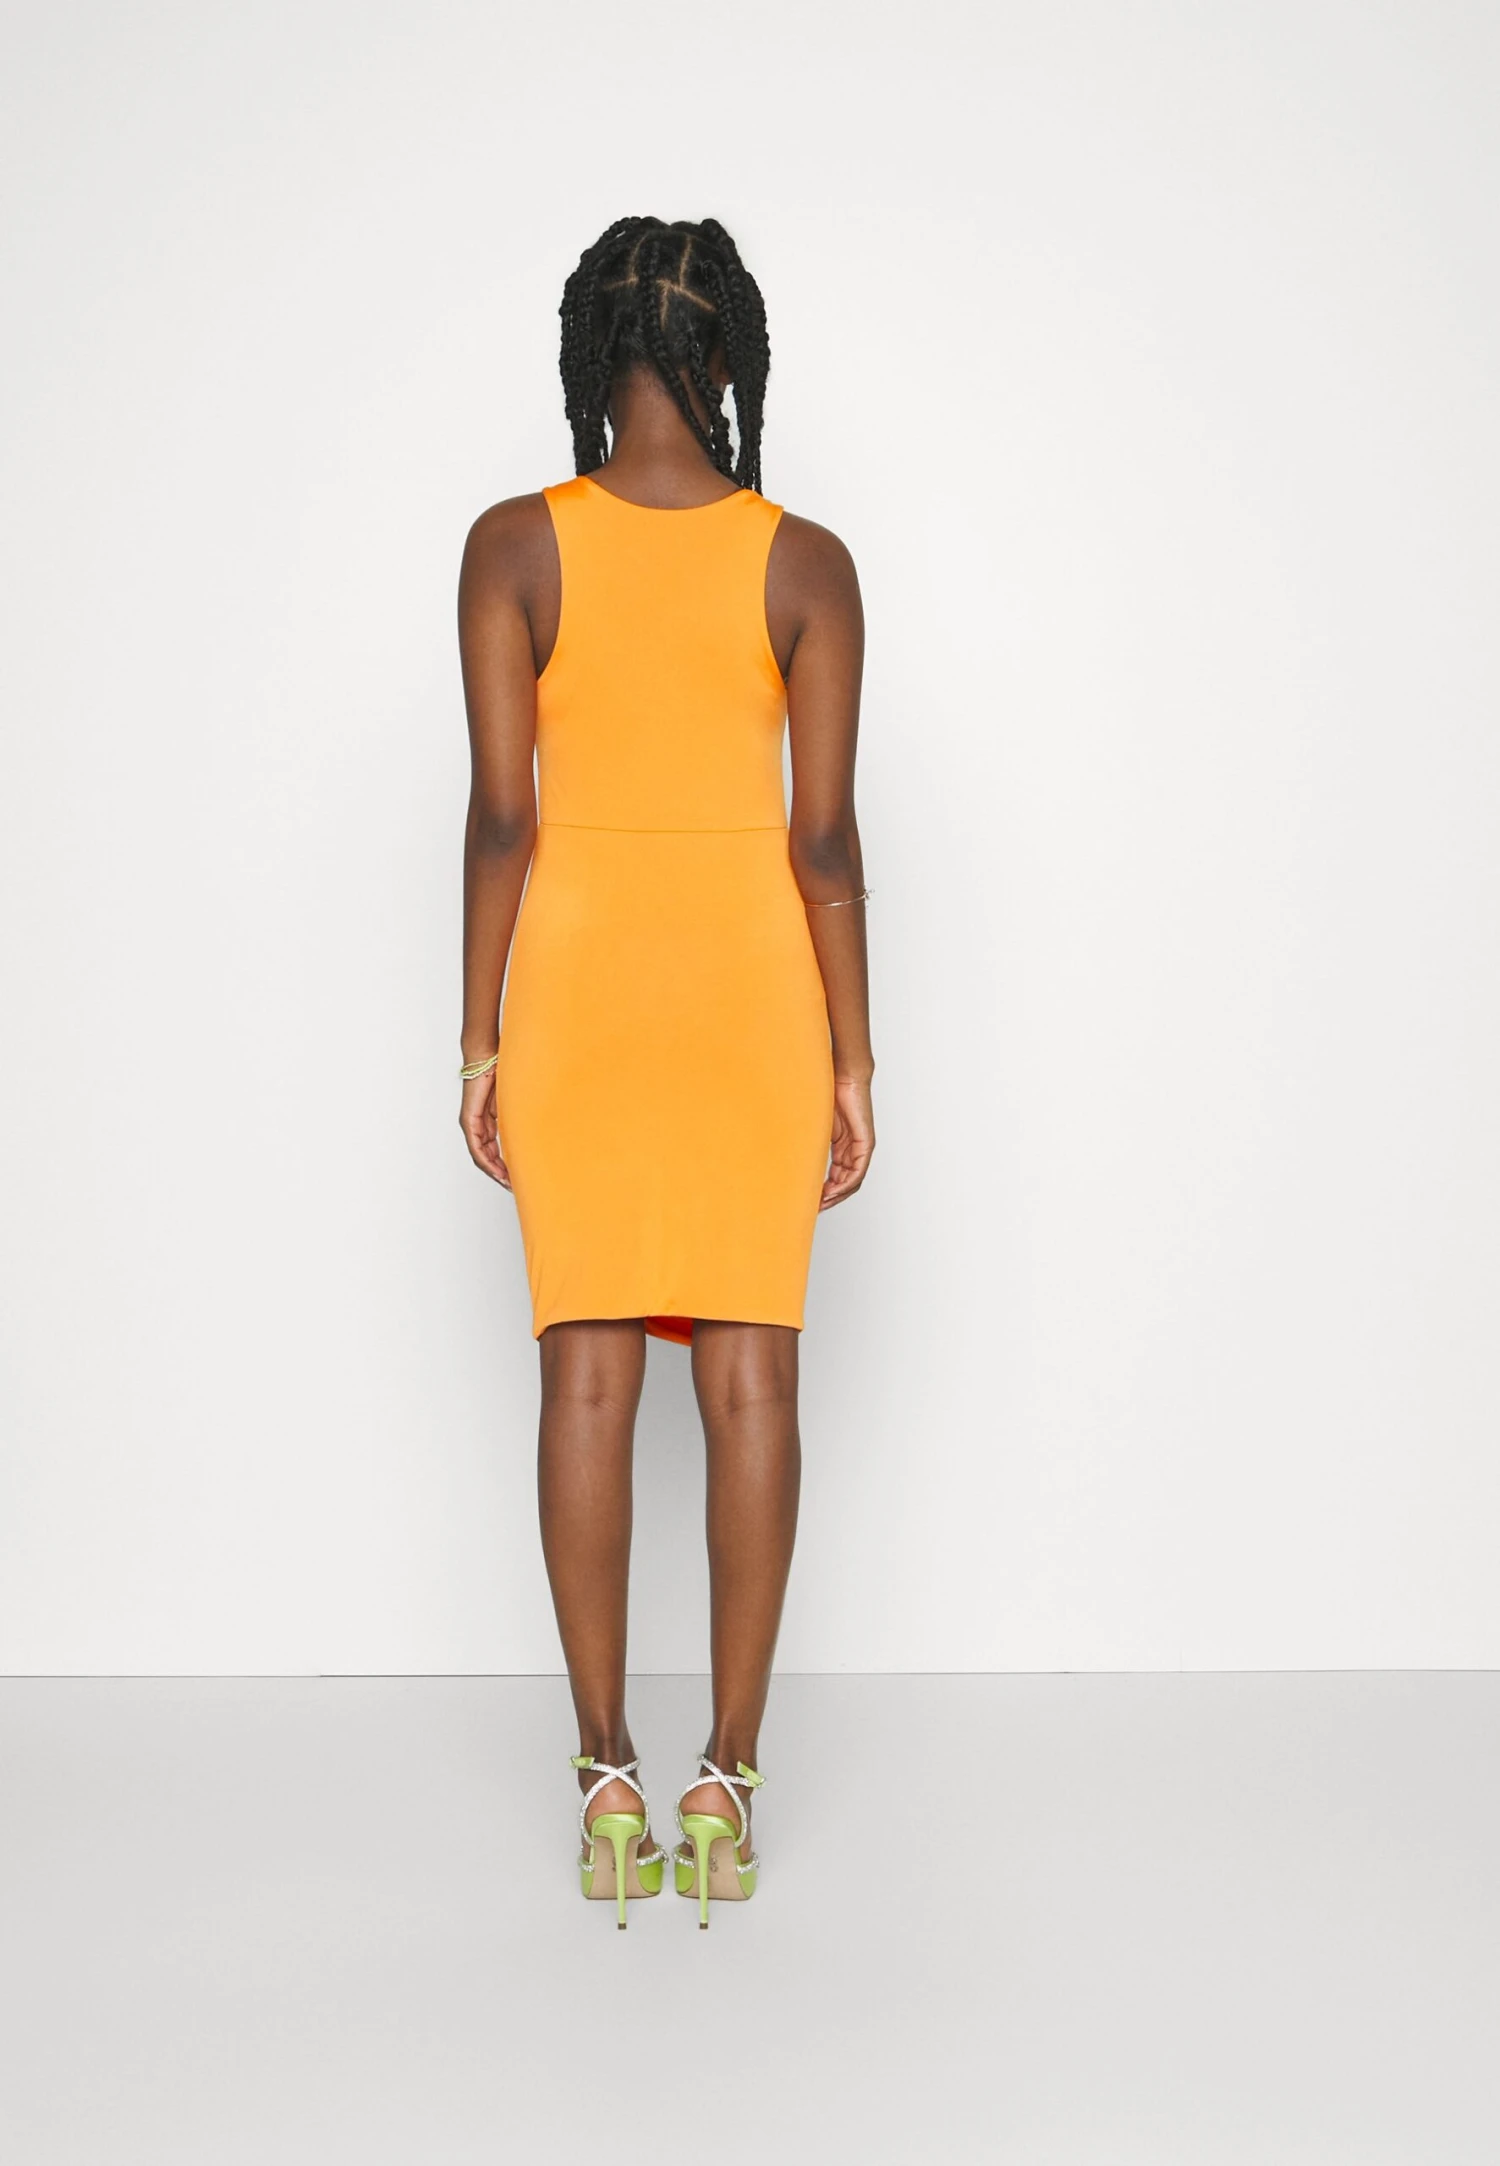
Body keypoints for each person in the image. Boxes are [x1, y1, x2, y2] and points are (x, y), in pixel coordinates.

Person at [455, 216, 874, 1926]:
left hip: (580, 992)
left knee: (588, 1380)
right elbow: (824, 836)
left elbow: (503, 814)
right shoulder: (806, 563)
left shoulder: (513, 547)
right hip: (751, 995)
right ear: (726, 360)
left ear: (595, 353)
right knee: (754, 1381)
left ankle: (607, 1782)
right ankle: (730, 1783)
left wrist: (479, 1034)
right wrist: (853, 1057)